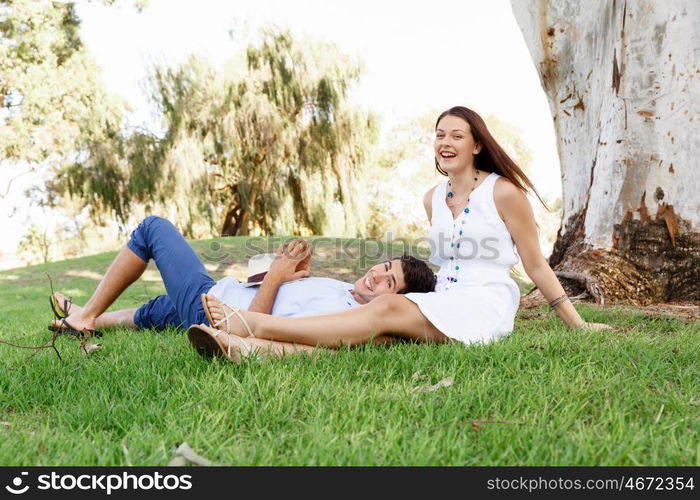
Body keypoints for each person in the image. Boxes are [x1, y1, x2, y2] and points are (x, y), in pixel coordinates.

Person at [188, 105, 613, 362]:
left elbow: (535, 265)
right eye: (440, 135)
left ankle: (255, 326)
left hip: (483, 302)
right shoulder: (431, 198)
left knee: (388, 310)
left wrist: (576, 325)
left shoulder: (503, 192)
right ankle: (251, 351)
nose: (445, 142)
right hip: (441, 298)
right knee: (381, 336)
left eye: (457, 136)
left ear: (477, 145)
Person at [49, 216, 436, 338]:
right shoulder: (342, 290)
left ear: (395, 300)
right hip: (220, 293)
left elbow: (253, 326)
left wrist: (275, 280)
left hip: (216, 312)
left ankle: (82, 318)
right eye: (382, 268)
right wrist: (293, 273)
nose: (375, 276)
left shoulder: (341, 313)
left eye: (389, 282)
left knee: (153, 229)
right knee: (160, 310)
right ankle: (90, 316)